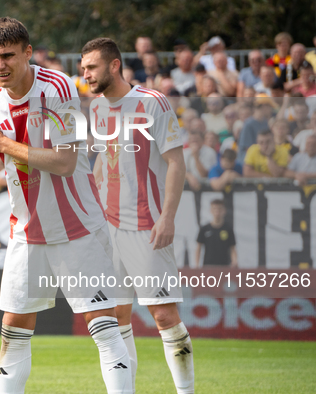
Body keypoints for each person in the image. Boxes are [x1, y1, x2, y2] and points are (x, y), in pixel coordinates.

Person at [0, 18, 133, 394]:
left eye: (8, 56)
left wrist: (2, 144)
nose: (0, 65)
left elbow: (65, 161)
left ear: (28, 53)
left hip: (78, 226)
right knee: (14, 331)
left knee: (102, 324)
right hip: (27, 231)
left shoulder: (58, 87)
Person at [81, 37, 194, 394]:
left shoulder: (152, 103)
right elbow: (101, 157)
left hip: (146, 225)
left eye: (92, 67)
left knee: (164, 316)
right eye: (83, 68)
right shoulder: (97, 107)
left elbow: (176, 162)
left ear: (114, 66)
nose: (85, 74)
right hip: (108, 228)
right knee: (116, 318)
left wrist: (168, 218)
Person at [196, 200, 237, 267]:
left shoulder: (228, 229)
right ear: (211, 210)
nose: (217, 211)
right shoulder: (205, 229)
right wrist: (197, 265)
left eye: (220, 209)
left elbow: (232, 248)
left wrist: (234, 261)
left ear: (224, 211)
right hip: (208, 267)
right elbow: (198, 247)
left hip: (224, 267)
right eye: (215, 208)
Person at [238, 96, 275, 162]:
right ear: (264, 106)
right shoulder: (248, 124)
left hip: (262, 159)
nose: (271, 110)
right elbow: (247, 148)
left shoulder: (265, 122)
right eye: (270, 107)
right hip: (248, 161)